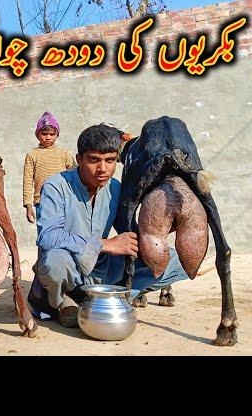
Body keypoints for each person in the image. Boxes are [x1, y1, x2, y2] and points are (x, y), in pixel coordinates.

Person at [27, 124, 188, 327]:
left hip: (101, 268)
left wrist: (157, 231)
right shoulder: (55, 186)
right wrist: (105, 244)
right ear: (79, 160)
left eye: (110, 160)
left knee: (173, 259)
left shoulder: (115, 188)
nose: (103, 168)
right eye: (94, 160)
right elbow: (48, 237)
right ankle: (60, 300)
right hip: (70, 264)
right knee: (55, 261)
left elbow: (128, 232)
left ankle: (103, 298)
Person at [23, 111, 75, 226]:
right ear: (37, 134)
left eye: (52, 134)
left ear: (57, 135)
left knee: (67, 232)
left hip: (64, 199)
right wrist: (28, 205)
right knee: (46, 235)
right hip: (42, 201)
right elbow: (27, 181)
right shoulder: (32, 155)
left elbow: (75, 174)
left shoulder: (63, 154)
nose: (48, 137)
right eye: (45, 134)